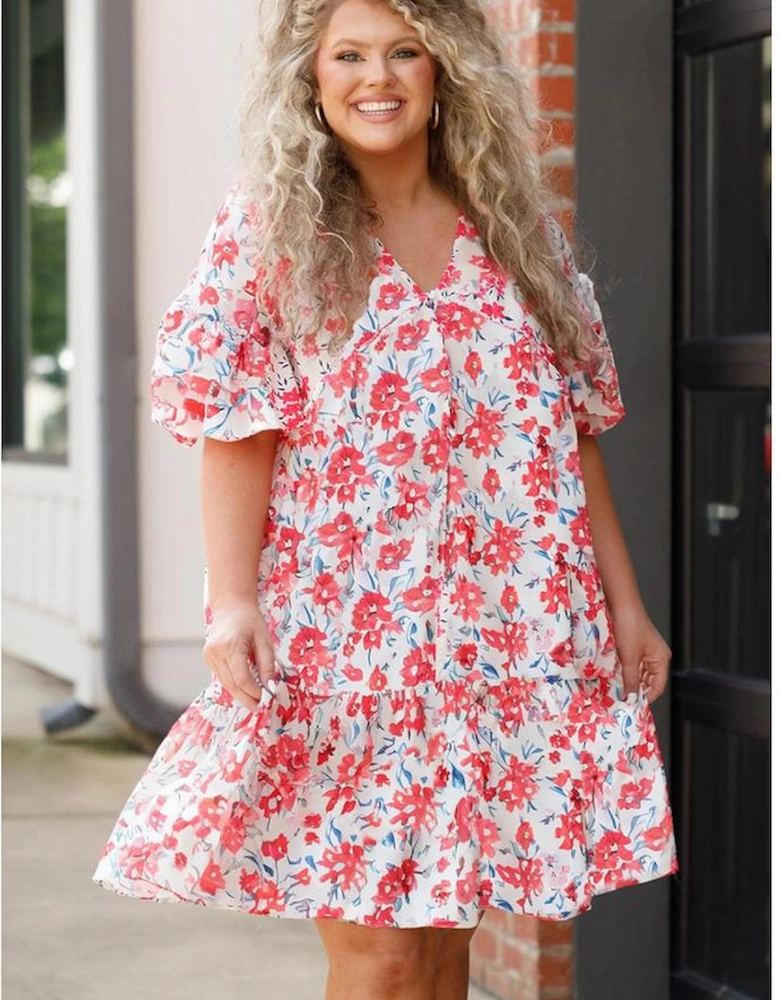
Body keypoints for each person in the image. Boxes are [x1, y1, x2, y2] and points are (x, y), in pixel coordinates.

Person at [93, 1, 679, 997]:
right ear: (310, 80)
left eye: (405, 51)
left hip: (506, 634)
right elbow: (235, 423)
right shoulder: (275, 227)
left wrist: (624, 601)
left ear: (444, 69)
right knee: (382, 953)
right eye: (350, 55)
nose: (380, 77)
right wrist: (232, 600)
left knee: (447, 939)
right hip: (347, 646)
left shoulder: (513, 229)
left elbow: (568, 433)